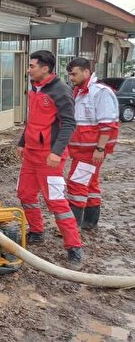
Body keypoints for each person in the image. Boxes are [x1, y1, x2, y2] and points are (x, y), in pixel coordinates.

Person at [16, 50, 84, 267]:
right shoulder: (35, 89)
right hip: (31, 154)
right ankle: (36, 231)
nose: (28, 70)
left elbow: (69, 124)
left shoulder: (61, 91)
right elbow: (33, 121)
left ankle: (74, 247)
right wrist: (22, 142)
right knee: (25, 194)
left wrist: (57, 152)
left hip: (50, 158)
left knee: (55, 201)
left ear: (45, 68)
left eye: (32, 66)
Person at [66, 58, 119, 230]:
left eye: (74, 74)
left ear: (86, 72)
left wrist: (100, 148)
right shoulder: (80, 91)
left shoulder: (99, 92)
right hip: (83, 150)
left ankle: (72, 227)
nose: (71, 78)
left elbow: (107, 124)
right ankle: (90, 222)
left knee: (76, 185)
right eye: (70, 74)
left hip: (90, 151)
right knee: (91, 184)